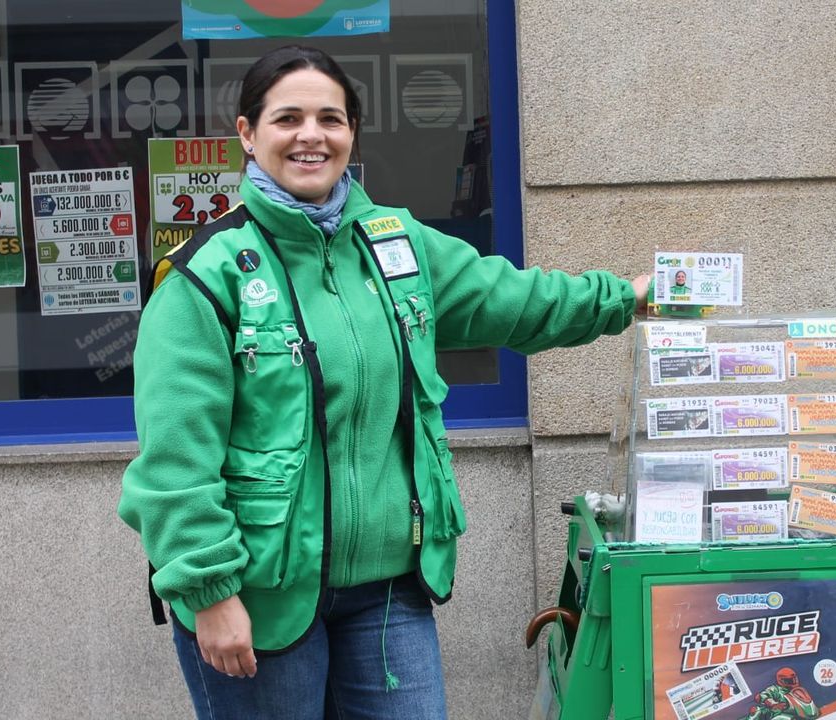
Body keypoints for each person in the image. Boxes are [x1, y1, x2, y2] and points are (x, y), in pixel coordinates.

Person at [118, 45, 649, 720]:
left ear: (351, 133)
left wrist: (627, 298)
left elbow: (515, 300)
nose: (311, 135)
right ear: (248, 135)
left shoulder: (394, 245)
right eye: (288, 119)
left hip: (387, 591)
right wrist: (210, 592)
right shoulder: (206, 275)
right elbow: (174, 464)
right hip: (261, 594)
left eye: (330, 118)